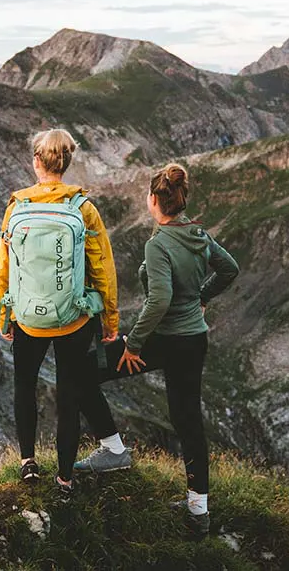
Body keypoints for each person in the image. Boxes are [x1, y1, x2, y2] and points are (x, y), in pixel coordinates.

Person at [85, 162, 238, 536]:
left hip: (164, 340)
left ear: (154, 200)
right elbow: (230, 268)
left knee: (83, 371)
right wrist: (202, 298)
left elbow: (159, 300)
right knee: (188, 422)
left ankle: (113, 450)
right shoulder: (198, 234)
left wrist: (132, 344)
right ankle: (197, 512)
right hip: (193, 340)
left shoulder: (158, 244)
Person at [0, 129, 130, 499]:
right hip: (74, 318)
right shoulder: (83, 208)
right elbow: (103, 268)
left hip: (27, 319)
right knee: (68, 395)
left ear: (36, 162)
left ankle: (27, 462)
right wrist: (110, 321)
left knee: (25, 385)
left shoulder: (16, 208)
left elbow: (4, 266)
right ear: (66, 163)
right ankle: (65, 479)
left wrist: (4, 313)